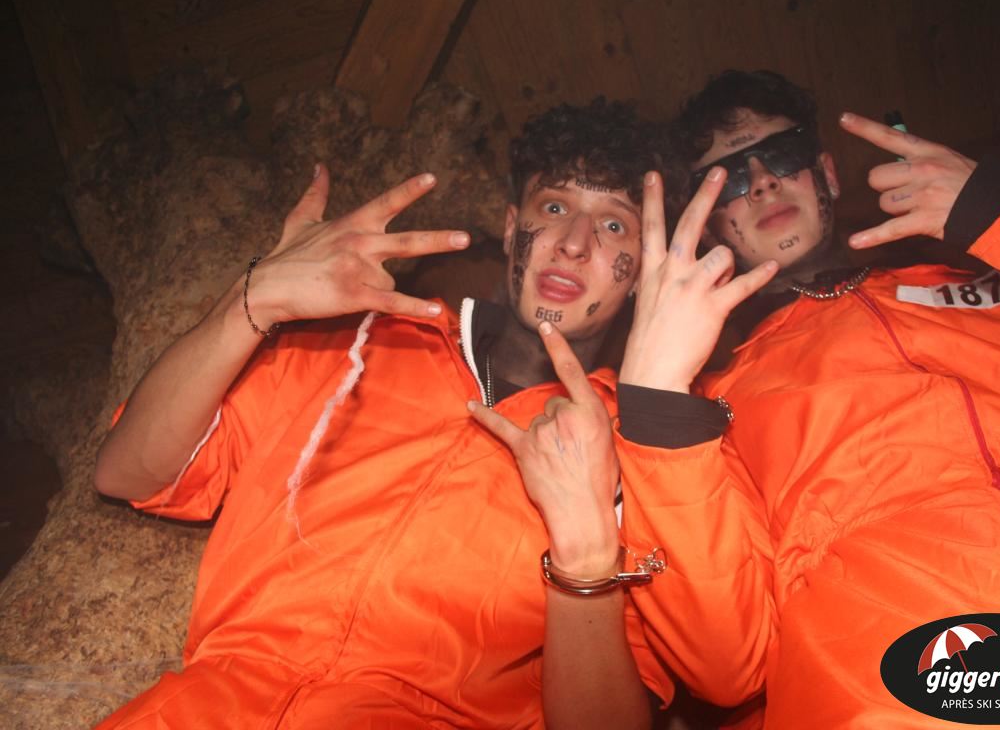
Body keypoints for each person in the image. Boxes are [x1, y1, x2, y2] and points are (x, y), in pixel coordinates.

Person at [91, 98, 672, 728]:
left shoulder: (640, 461)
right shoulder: (356, 343)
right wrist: (250, 299)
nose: (575, 244)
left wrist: (586, 562)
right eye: (554, 208)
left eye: (613, 226)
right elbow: (127, 473)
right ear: (511, 230)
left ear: (643, 272)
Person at [613, 70, 1000, 727]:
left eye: (780, 156)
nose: (762, 182)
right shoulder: (713, 408)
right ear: (710, 229)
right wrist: (658, 412)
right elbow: (726, 665)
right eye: (727, 180)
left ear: (827, 173)